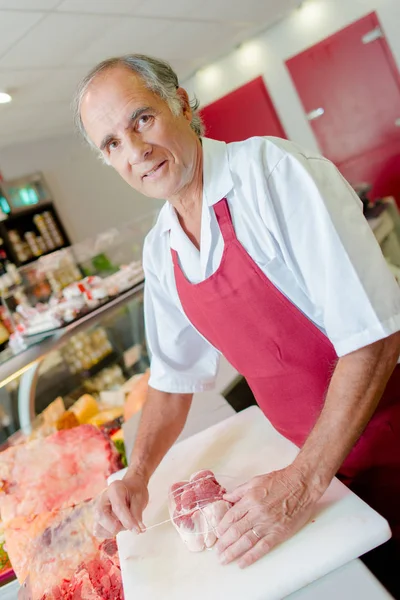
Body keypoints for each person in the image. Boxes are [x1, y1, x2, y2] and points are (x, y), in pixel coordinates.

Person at [74, 54, 400, 594]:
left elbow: (376, 339)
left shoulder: (273, 175)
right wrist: (136, 474)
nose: (135, 150)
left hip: (386, 437)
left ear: (180, 103)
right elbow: (173, 380)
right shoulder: (161, 249)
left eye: (142, 119)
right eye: (111, 143)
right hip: (315, 466)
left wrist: (300, 482)